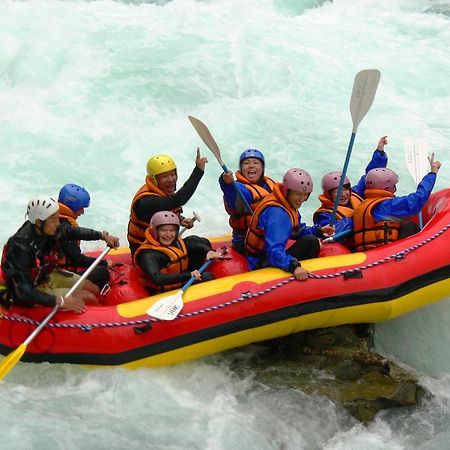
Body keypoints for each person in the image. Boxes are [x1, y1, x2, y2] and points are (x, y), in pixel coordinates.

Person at [1, 195, 120, 313]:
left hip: (45, 277)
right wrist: (60, 301)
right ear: (38, 222)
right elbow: (23, 291)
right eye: (54, 219)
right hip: (28, 291)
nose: (58, 223)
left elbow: (71, 232)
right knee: (88, 297)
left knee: (92, 288)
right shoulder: (20, 248)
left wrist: (102, 236)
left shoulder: (47, 229)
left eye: (57, 218)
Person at [245, 168, 334, 281]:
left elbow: (297, 230)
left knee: (311, 240)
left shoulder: (286, 204)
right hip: (261, 264)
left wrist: (319, 231)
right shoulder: (277, 214)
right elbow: (273, 251)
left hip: (263, 256)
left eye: (305, 195)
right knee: (311, 242)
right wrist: (294, 266)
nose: (301, 199)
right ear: (287, 191)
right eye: (298, 194)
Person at [352, 154, 442, 251]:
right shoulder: (387, 205)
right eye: (394, 186)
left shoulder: (362, 204)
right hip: (385, 254)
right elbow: (417, 200)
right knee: (411, 226)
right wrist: (432, 174)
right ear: (387, 188)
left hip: (366, 253)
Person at [128, 149, 207, 257]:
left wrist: (181, 220)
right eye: (165, 176)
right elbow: (177, 200)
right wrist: (198, 171)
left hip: (161, 245)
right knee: (198, 249)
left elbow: (162, 214)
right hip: (146, 254)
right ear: (154, 179)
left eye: (173, 174)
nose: (171, 179)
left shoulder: (161, 192)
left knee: (201, 242)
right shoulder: (146, 201)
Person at [313, 136, 389, 238]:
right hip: (354, 247)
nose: (343, 194)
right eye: (337, 192)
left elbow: (371, 176)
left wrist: (380, 152)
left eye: (345, 189)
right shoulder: (325, 215)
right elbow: (333, 229)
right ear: (328, 194)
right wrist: (361, 216)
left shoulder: (355, 193)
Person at [134, 211, 225, 293]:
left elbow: (192, 245)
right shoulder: (147, 254)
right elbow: (157, 279)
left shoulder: (175, 242)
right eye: (164, 230)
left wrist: (208, 251)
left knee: (198, 241)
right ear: (155, 231)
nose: (168, 235)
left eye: (172, 230)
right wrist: (189, 275)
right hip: (162, 291)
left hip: (181, 280)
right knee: (207, 277)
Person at [219, 148, 277, 254]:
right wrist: (226, 183)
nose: (251, 166)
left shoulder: (271, 184)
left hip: (270, 237)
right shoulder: (238, 187)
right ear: (241, 169)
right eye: (246, 163)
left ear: (262, 168)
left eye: (256, 163)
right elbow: (234, 198)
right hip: (245, 240)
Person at [58, 183, 110, 291]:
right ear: (73, 207)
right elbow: (78, 260)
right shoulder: (64, 227)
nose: (82, 212)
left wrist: (101, 236)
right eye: (81, 208)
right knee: (102, 272)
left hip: (60, 271)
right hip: (60, 276)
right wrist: (104, 263)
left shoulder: (54, 219)